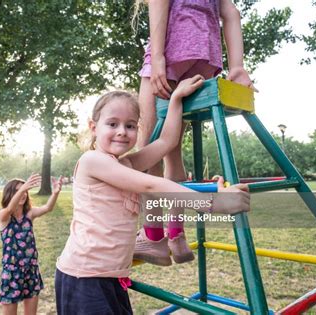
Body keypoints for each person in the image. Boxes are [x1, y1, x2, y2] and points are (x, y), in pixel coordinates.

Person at [55, 82, 250, 314]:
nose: (121, 131)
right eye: (112, 124)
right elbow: (152, 183)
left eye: (130, 126)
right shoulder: (91, 161)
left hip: (111, 276)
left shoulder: (126, 163)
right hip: (84, 277)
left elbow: (166, 142)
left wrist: (175, 100)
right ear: (93, 127)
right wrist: (214, 203)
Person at [132, 0, 257, 265]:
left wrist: (157, 59)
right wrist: (238, 67)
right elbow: (230, 13)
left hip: (173, 47)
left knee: (147, 151)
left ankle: (153, 237)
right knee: (172, 150)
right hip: (205, 57)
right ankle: (176, 236)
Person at [0, 174, 63, 315]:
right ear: (10, 193)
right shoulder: (4, 216)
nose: (23, 194)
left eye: (25, 191)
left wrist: (55, 193)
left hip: (31, 270)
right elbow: (9, 210)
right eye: (18, 191)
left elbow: (48, 208)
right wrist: (23, 188)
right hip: (12, 273)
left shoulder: (29, 214)